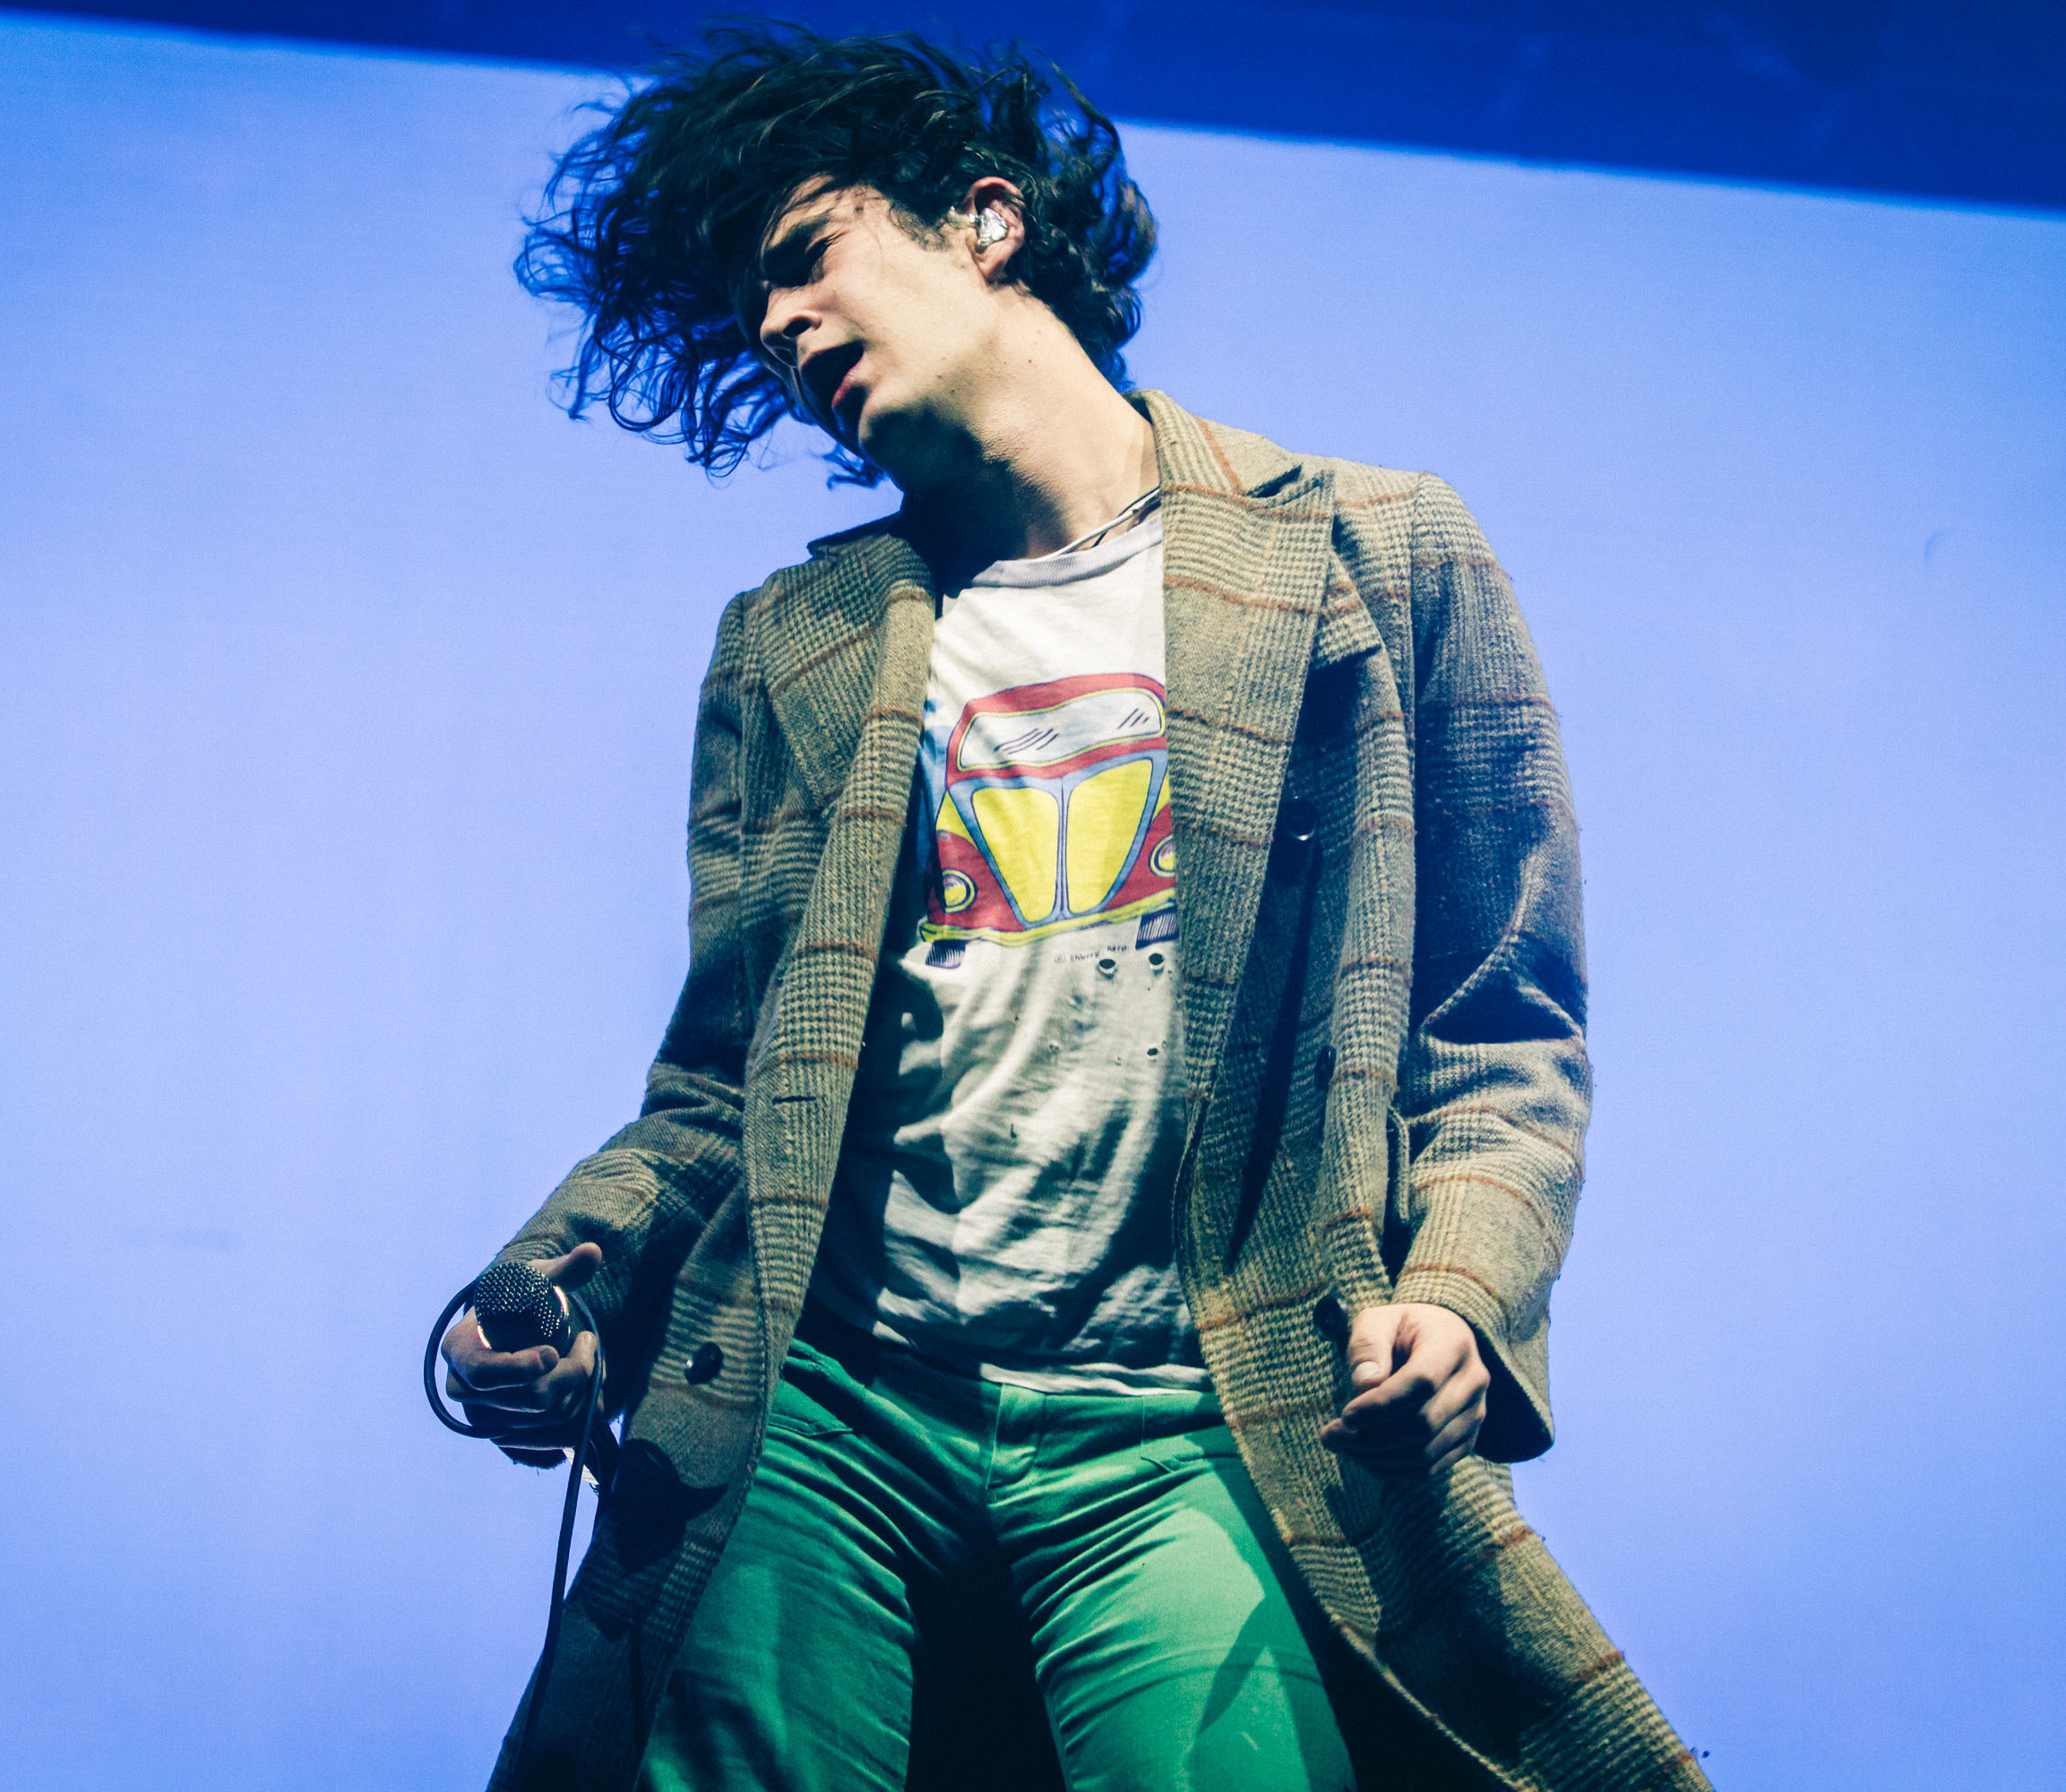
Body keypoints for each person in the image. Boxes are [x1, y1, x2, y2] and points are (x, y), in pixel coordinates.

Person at [439, 23, 1707, 1791]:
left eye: (805, 256)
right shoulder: (795, 644)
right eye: (754, 315)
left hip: (1185, 1407)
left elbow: (1495, 1020)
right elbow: (727, 1087)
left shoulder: (1374, 551)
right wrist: (540, 1283)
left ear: (986, 219)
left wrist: (1462, 1293)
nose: (782, 328)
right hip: (835, 1401)